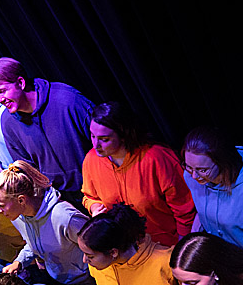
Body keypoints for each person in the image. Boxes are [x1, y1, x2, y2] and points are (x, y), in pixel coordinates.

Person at [81, 101, 195, 247]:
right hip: (127, 248)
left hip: (166, 247)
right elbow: (90, 197)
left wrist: (183, 246)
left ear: (123, 135)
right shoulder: (91, 160)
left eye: (104, 140)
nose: (96, 145)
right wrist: (94, 207)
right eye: (92, 136)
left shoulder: (157, 158)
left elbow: (185, 210)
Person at [0, 57, 95, 202]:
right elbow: (28, 169)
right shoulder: (7, 122)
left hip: (97, 188)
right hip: (61, 200)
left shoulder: (66, 100)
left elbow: (104, 139)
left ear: (21, 83)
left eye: (2, 91)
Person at [0, 160, 95, 285]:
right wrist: (19, 262)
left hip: (88, 278)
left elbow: (98, 246)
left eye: (1, 205)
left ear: (21, 200)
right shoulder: (19, 217)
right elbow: (34, 241)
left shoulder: (64, 217)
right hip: (65, 281)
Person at [181, 126, 243, 258]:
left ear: (223, 162)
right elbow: (203, 211)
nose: (194, 176)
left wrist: (241, 268)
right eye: (188, 167)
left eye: (203, 170)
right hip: (221, 257)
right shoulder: (191, 176)